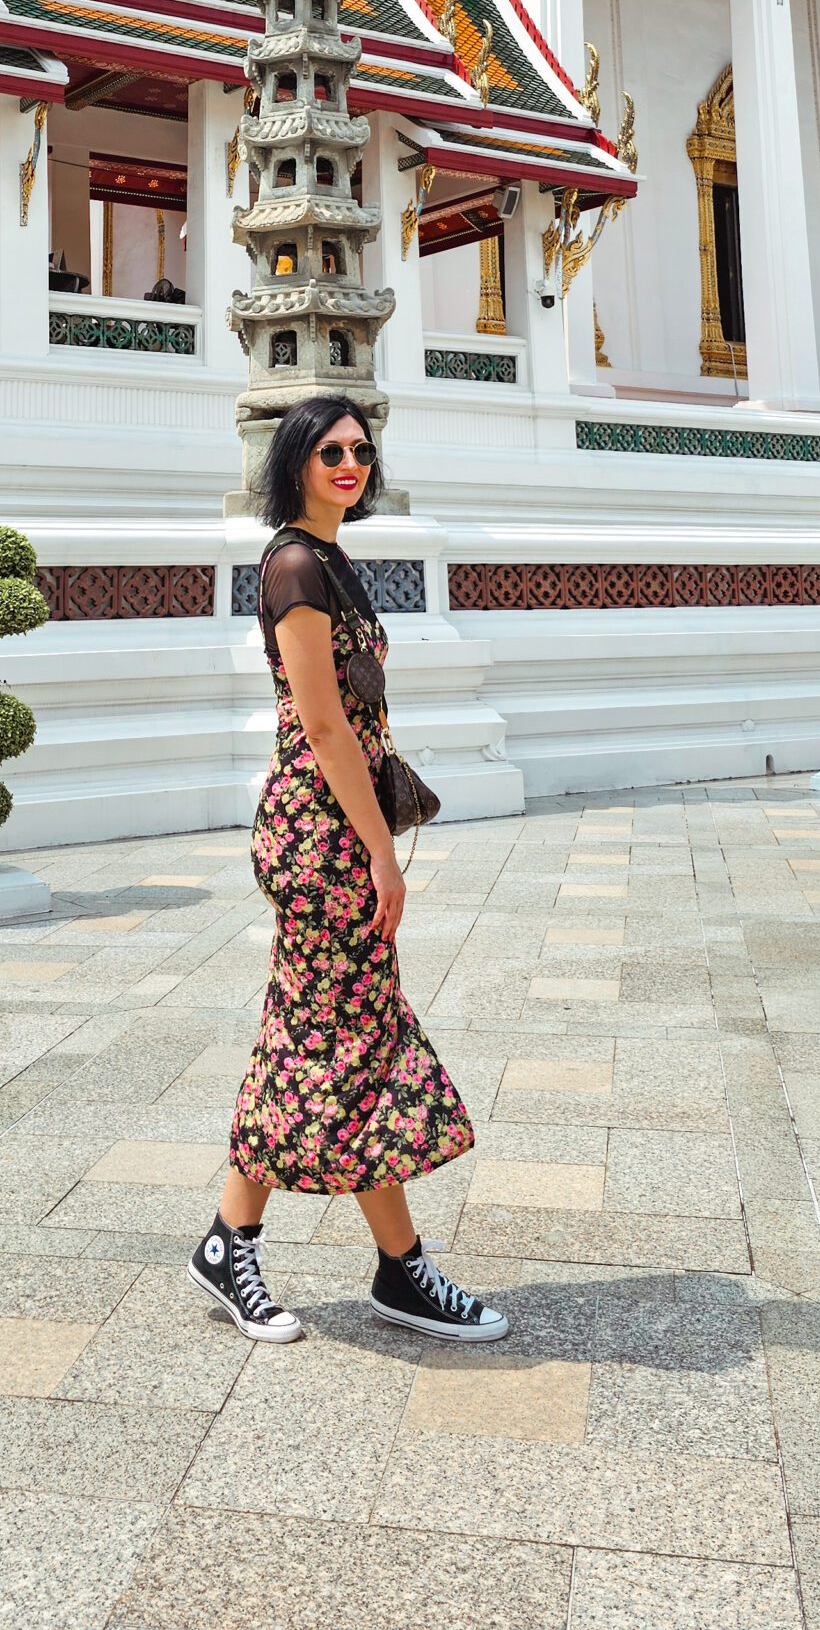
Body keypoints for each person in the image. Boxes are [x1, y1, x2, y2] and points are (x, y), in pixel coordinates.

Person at [188, 393, 506, 1346]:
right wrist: (378, 853)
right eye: (329, 450)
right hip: (320, 834)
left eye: (360, 451)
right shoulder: (294, 564)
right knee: (331, 1041)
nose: (349, 464)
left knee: (339, 1038)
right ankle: (310, 1254)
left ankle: (328, 1256)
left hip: (334, 827)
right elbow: (323, 726)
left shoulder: (330, 560)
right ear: (293, 463)